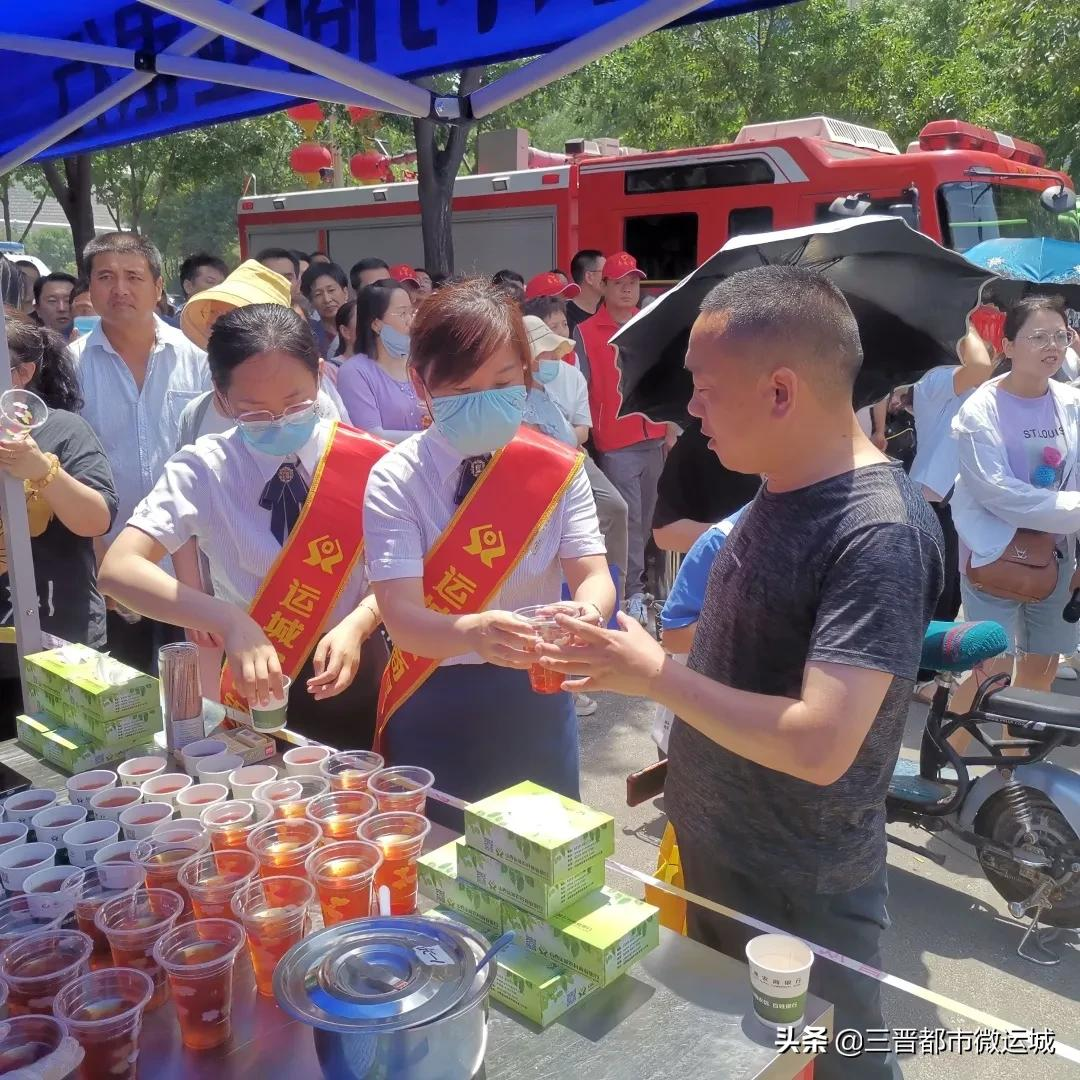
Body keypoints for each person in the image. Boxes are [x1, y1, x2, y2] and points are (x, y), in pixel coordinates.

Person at [537, 266, 944, 1080]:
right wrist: (616, 649)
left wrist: (652, 676)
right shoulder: (778, 487)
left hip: (802, 883)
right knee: (730, 1059)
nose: (691, 409)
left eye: (705, 389)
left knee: (834, 1063)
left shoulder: (878, 533)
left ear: (783, 392)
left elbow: (820, 744)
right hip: (715, 850)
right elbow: (723, 654)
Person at [364, 278, 614, 829]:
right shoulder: (395, 478)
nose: (484, 402)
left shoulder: (556, 467)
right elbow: (402, 618)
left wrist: (587, 613)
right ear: (420, 384)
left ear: (527, 373)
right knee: (439, 870)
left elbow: (592, 573)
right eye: (459, 389)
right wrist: (475, 633)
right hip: (433, 693)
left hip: (535, 692)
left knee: (544, 865)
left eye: (502, 382)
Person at [98, 304, 389, 747]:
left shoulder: (367, 461)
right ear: (221, 396)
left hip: (353, 665)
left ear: (319, 375)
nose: (278, 421)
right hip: (252, 675)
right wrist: (229, 621)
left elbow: (398, 569)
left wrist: (360, 623)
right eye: (254, 412)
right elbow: (118, 570)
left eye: (296, 405)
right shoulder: (203, 468)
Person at [69, 232, 209, 672]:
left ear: (157, 284)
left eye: (133, 276)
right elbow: (67, 472)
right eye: (106, 277)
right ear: (89, 287)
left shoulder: (198, 360)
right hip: (108, 563)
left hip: (196, 566)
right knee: (128, 691)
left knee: (200, 697)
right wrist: (101, 562)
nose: (120, 289)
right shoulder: (69, 367)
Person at [948, 295, 1080, 717]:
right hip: (994, 551)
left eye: (1060, 335)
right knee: (992, 668)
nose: (1052, 346)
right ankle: (946, 753)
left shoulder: (1073, 404)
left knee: (1042, 665)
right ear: (1007, 347)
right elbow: (999, 494)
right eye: (1038, 336)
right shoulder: (978, 412)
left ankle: (1012, 767)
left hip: (1057, 558)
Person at [0, 320, 117, 736]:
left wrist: (43, 472)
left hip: (61, 642)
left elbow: (97, 518)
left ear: (23, 373)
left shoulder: (63, 430)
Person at [522, 313, 627, 719]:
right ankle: (568, 668)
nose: (554, 355)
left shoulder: (546, 389)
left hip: (574, 467)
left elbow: (573, 433)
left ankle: (606, 599)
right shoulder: (515, 396)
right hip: (549, 480)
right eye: (545, 349)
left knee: (614, 513)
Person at [578, 252, 671, 622]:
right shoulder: (585, 332)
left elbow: (663, 379)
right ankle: (632, 593)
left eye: (634, 282)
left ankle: (639, 588)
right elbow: (582, 386)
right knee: (628, 518)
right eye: (620, 283)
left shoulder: (647, 323)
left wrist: (670, 427)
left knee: (647, 519)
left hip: (654, 435)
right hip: (616, 440)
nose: (629, 288)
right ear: (604, 286)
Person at [908, 324, 995, 622]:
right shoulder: (934, 379)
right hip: (933, 503)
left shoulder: (978, 388)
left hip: (964, 503)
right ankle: (920, 667)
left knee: (954, 593)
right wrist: (962, 315)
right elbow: (981, 366)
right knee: (933, 593)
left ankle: (933, 667)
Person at [652, 422, 761, 553]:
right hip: (719, 567)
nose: (694, 407)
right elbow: (664, 532)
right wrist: (740, 537)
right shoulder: (699, 437)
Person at [337, 282, 423, 442]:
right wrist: (433, 439)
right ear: (376, 324)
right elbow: (372, 436)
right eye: (402, 313)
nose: (410, 321)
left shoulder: (419, 362)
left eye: (411, 312)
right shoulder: (354, 372)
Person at [300, 262, 349, 357]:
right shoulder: (308, 336)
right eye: (318, 294)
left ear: (345, 292)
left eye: (331, 290)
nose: (327, 299)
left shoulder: (363, 328)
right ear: (311, 301)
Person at [566, 250, 605, 335]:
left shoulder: (606, 313)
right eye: (605, 271)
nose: (610, 276)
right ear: (589, 277)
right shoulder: (564, 317)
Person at [32, 273, 77, 337]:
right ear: (37, 309)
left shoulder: (91, 341)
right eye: (52, 301)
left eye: (68, 300)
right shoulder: (28, 344)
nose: (62, 308)